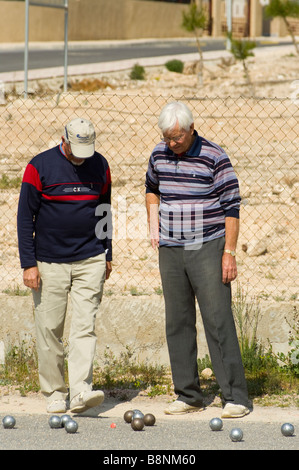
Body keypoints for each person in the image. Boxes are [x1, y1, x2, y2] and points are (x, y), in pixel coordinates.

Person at [145, 101, 251, 418]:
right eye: (168, 138)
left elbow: (232, 207)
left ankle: (235, 397)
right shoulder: (158, 154)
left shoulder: (215, 157)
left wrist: (229, 253)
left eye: (177, 137)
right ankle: (188, 394)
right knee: (177, 322)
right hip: (171, 248)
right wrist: (153, 224)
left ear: (192, 128)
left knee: (217, 320)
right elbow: (151, 188)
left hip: (208, 245)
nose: (173, 144)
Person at [17, 117, 112, 414]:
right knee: (49, 329)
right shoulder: (39, 166)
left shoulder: (100, 164)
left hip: (90, 259)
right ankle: (55, 392)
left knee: (84, 328)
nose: (83, 157)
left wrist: (107, 254)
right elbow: (24, 218)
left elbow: (105, 210)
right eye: (77, 149)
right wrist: (28, 264)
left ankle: (81, 390)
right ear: (64, 140)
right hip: (49, 262)